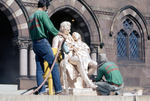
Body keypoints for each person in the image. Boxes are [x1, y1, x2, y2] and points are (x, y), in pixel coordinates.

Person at [28, 0, 66, 95]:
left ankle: (42, 91)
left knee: (39, 68)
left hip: (35, 44)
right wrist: (62, 34)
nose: (46, 10)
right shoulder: (42, 14)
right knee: (53, 65)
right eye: (47, 8)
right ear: (44, 6)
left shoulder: (31, 17)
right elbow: (50, 27)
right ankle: (58, 90)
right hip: (43, 42)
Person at [52, 21, 97, 88]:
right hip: (66, 57)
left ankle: (86, 77)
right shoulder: (57, 38)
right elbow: (54, 51)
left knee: (93, 64)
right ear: (63, 28)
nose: (70, 30)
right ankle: (88, 83)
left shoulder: (71, 38)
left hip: (75, 55)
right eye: (68, 29)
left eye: (70, 28)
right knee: (79, 61)